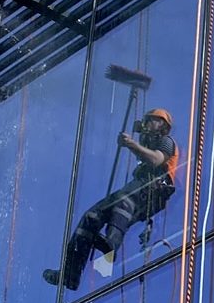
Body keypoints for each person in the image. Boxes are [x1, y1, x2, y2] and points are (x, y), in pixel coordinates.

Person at [44, 108, 180, 291]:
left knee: (123, 203)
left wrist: (131, 144)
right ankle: (71, 273)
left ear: (162, 125)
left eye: (151, 121)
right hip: (141, 186)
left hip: (153, 189)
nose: (147, 124)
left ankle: (111, 245)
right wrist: (132, 144)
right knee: (91, 217)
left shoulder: (167, 142)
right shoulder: (149, 143)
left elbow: (156, 160)